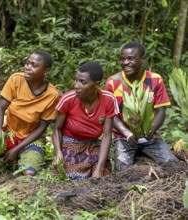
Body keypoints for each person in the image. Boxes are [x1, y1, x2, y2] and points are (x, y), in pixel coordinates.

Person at [0, 51, 60, 176]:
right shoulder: (16, 79)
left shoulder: (52, 95)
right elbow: (1, 107)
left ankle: (20, 158)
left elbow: (42, 127)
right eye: (27, 63)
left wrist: (16, 149)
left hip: (31, 139)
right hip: (9, 132)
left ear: (46, 71)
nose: (28, 67)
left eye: (34, 65)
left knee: (28, 173)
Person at [105, 42, 178, 172]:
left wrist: (152, 129)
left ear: (143, 59)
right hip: (124, 137)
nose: (125, 63)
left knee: (173, 165)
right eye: (122, 59)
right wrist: (127, 133)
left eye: (130, 58)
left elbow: (161, 110)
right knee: (122, 170)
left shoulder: (155, 79)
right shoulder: (113, 82)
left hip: (150, 137)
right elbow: (111, 115)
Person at [52, 62, 119, 180]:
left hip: (93, 143)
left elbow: (107, 134)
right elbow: (57, 129)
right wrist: (58, 153)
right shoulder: (68, 99)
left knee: (103, 176)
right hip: (71, 142)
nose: (76, 85)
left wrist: (100, 168)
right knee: (72, 176)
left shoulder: (108, 99)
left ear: (96, 84)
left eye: (82, 82)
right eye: (76, 80)